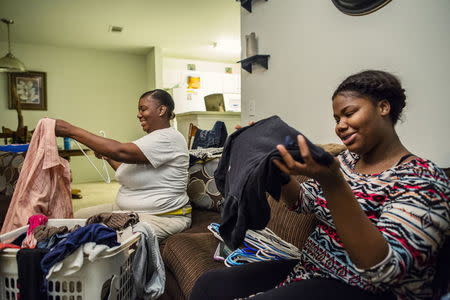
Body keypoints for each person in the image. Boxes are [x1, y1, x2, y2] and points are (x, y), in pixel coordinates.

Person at [190, 70, 450, 299]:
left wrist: (334, 183)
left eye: (349, 113)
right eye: (337, 118)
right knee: (210, 284)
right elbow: (301, 202)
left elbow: (383, 270)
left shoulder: (422, 180)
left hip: (370, 289)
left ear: (383, 107)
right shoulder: (347, 160)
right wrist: (273, 165)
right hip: (313, 270)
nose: (341, 126)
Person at [55, 89, 191, 241]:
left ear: (161, 110)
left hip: (161, 217)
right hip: (128, 210)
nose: (138, 115)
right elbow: (125, 169)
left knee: (101, 239)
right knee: (74, 218)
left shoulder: (169, 138)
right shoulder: (152, 140)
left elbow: (120, 151)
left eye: (143, 109)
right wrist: (108, 156)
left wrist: (70, 130)